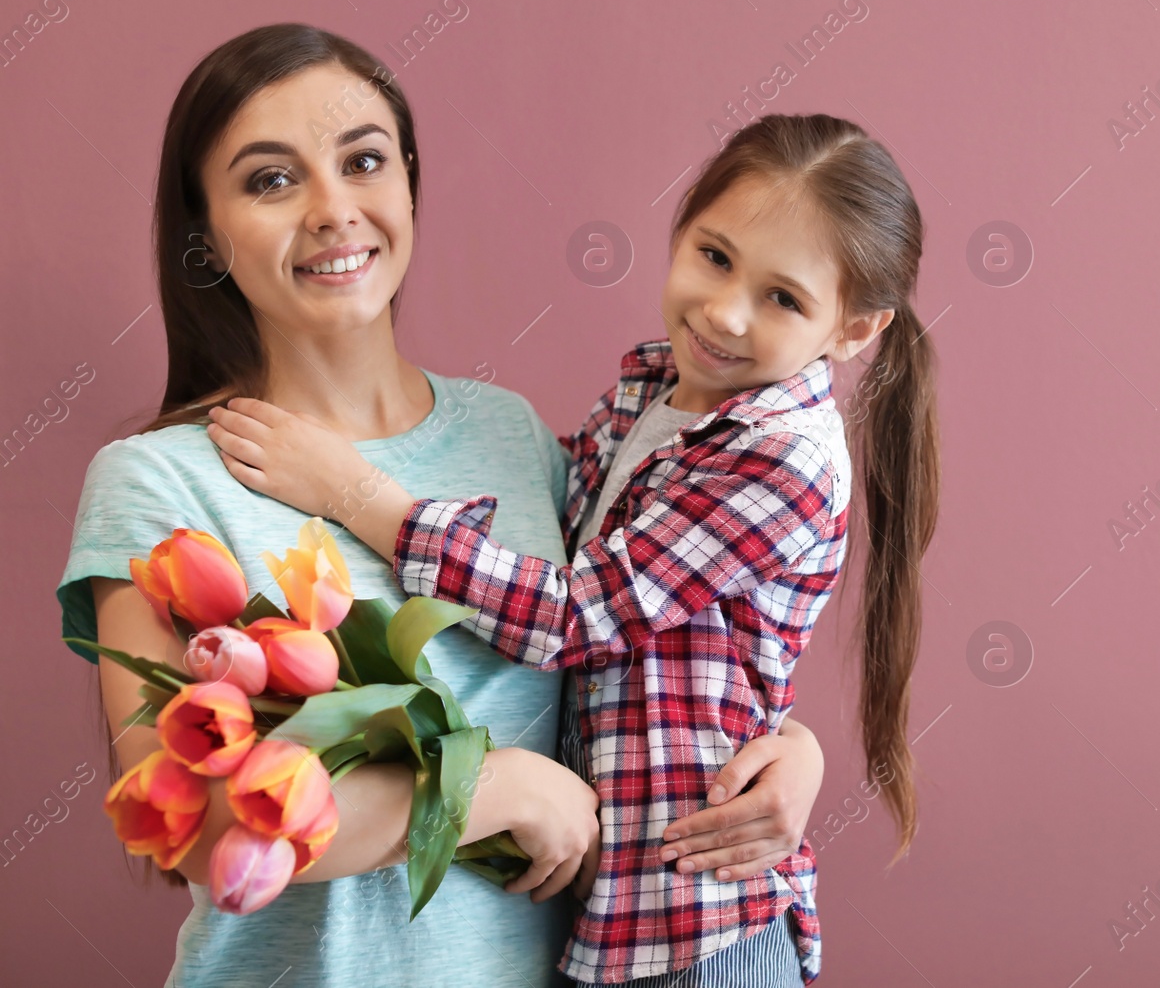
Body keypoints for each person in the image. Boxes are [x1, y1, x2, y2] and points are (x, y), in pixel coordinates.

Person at [57, 24, 825, 988]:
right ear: (205, 234)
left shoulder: (514, 438)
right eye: (270, 179)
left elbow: (633, 651)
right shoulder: (159, 481)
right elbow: (192, 825)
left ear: (410, 184)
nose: (335, 210)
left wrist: (792, 751)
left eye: (364, 161)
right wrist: (487, 789)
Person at [205, 113, 942, 985]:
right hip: (606, 922)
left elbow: (576, 609)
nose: (724, 311)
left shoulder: (786, 456)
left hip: (696, 925)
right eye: (714, 255)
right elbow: (543, 536)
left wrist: (355, 491)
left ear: (854, 331)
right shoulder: (653, 391)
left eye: (784, 299)